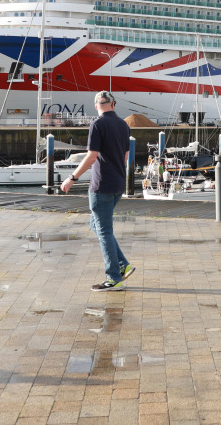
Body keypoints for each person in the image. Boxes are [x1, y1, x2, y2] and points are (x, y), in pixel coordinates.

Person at [61, 91, 135, 291]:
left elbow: (92, 156)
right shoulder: (124, 125)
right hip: (118, 184)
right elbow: (125, 156)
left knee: (104, 231)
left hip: (101, 185)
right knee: (97, 225)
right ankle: (123, 264)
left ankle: (114, 278)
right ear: (113, 104)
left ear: (96, 106)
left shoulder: (97, 124)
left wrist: (72, 178)